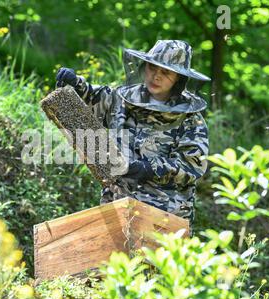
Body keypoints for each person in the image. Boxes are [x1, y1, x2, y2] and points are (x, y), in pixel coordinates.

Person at [56, 40, 210, 233]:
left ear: (178, 78)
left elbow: (192, 166)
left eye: (166, 72)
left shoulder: (190, 120)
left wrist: (147, 168)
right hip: (117, 205)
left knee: (151, 264)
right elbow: (93, 97)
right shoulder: (122, 99)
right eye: (153, 67)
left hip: (165, 218)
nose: (156, 76)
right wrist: (75, 82)